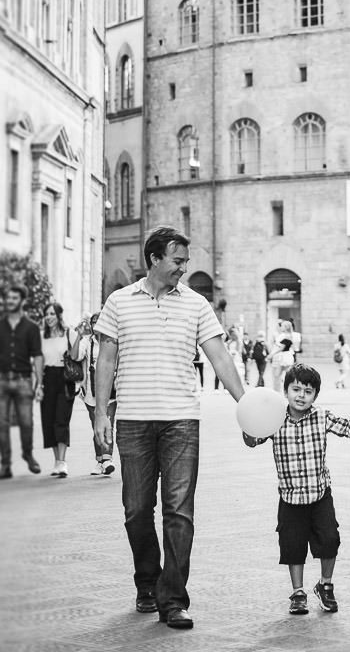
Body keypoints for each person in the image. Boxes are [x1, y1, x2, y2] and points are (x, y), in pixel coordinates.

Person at [93, 224, 245, 631]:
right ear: (154, 259)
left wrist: (246, 407)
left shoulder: (196, 304)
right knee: (136, 511)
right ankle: (147, 581)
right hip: (134, 421)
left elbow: (220, 359)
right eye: (177, 260)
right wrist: (99, 415)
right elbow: (105, 360)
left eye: (185, 261)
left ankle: (173, 599)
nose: (183, 267)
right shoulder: (119, 302)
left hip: (181, 420)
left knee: (180, 513)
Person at [243, 362, 350, 616]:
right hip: (290, 498)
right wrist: (248, 419)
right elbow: (253, 439)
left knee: (329, 540)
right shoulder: (274, 419)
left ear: (315, 396)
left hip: (320, 495)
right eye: (295, 389)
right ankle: (298, 592)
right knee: (292, 546)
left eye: (308, 392)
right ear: (285, 391)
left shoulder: (322, 417)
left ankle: (325, 584)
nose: (301, 396)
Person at [0, 284, 43, 480]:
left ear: (21, 301)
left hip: (23, 380)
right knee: (2, 424)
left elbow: (38, 356)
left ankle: (27, 453)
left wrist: (39, 383)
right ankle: (5, 465)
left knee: (26, 422)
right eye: (8, 298)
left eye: (14, 298)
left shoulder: (31, 328)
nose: (10, 301)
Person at [40, 301, 83, 477]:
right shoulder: (42, 336)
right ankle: (56, 461)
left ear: (58, 315)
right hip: (47, 378)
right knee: (49, 421)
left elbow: (74, 356)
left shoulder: (68, 333)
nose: (49, 317)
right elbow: (38, 360)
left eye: (52, 314)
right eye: (47, 314)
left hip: (64, 379)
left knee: (61, 420)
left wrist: (79, 336)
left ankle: (62, 462)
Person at [77, 312, 117, 474]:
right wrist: (78, 336)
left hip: (111, 391)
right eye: (93, 323)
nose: (96, 325)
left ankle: (107, 459)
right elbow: (76, 356)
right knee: (96, 425)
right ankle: (100, 460)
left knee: (109, 422)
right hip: (91, 391)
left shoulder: (113, 341)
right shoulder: (87, 342)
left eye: (99, 322)